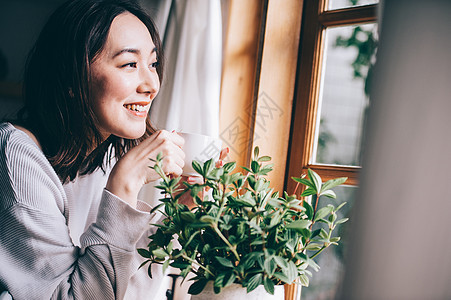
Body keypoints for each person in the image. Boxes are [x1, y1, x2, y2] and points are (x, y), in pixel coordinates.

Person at [0, 0, 224, 299]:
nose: (151, 84)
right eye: (130, 64)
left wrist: (177, 216)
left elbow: (120, 289)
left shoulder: (104, 152)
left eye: (153, 64)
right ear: (71, 76)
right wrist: (123, 188)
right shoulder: (16, 157)